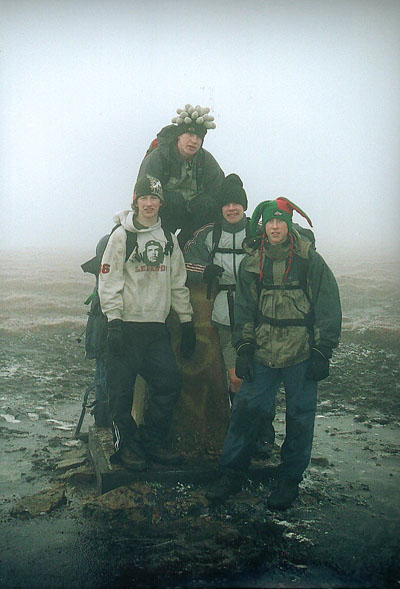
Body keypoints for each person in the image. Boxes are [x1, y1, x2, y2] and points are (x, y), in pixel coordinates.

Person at [206, 197, 342, 510]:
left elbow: (327, 305)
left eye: (281, 221)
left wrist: (323, 350)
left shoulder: (310, 259)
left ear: (289, 224)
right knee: (246, 410)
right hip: (263, 351)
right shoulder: (253, 261)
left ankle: (289, 480)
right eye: (270, 221)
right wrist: (243, 346)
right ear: (263, 225)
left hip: (302, 352)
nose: (276, 226)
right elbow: (245, 308)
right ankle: (231, 474)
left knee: (299, 417)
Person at [98, 174, 196, 471]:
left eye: (154, 198)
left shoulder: (168, 239)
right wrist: (113, 321)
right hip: (125, 328)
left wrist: (187, 320)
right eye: (144, 198)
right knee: (121, 392)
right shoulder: (121, 237)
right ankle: (127, 444)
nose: (149, 204)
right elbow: (109, 280)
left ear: (160, 203)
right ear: (135, 201)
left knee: (169, 383)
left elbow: (178, 283)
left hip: (156, 330)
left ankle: (152, 441)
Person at [183, 174, 275, 455]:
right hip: (223, 312)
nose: (232, 208)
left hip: (258, 315)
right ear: (220, 207)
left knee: (261, 375)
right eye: (227, 204)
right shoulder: (208, 234)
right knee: (236, 378)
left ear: (245, 206)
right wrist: (204, 271)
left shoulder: (258, 232)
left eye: (237, 203)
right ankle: (242, 434)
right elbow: (185, 262)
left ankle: (261, 433)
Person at [137, 103, 225, 245]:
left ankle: (187, 246)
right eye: (190, 134)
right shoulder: (158, 158)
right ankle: (161, 243)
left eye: (199, 137)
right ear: (179, 136)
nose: (194, 141)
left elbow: (219, 193)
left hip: (193, 217)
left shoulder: (206, 161)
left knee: (207, 204)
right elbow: (142, 194)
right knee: (174, 201)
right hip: (163, 214)